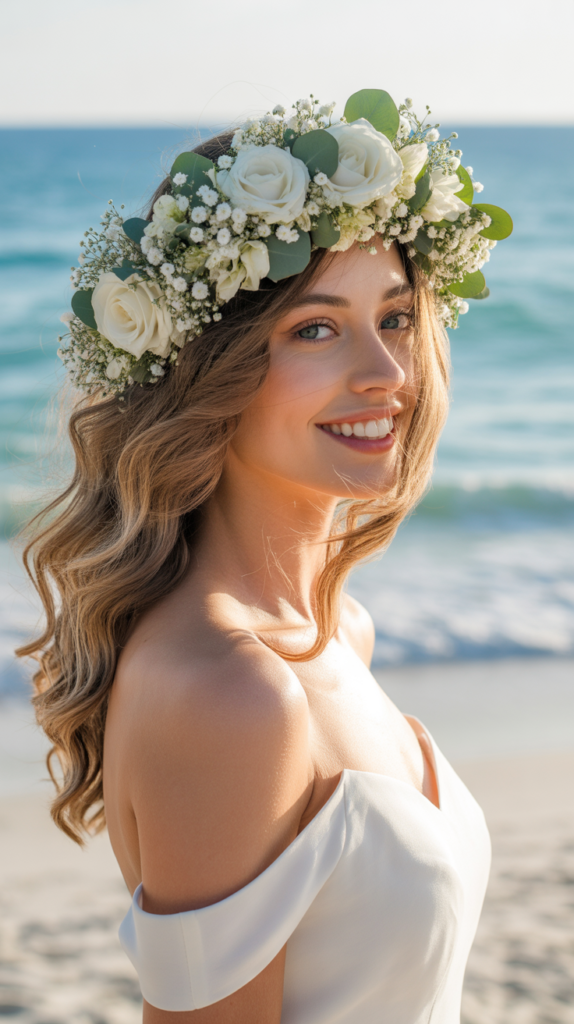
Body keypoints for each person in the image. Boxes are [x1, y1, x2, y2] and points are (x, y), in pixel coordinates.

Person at [18, 89, 511, 1022]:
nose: (388, 372)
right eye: (315, 329)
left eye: (397, 317)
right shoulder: (232, 695)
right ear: (213, 368)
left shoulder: (336, 635)